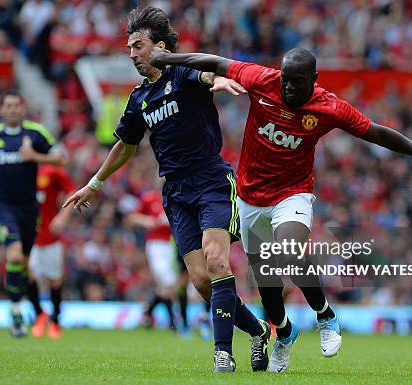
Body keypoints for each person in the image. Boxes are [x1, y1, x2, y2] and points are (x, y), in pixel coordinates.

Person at [149, 47, 412, 372]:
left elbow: (376, 132)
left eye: (297, 82)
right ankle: (284, 333)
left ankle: (325, 314)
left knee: (288, 253)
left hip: (292, 193)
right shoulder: (262, 79)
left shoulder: (327, 106)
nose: (288, 87)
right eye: (286, 80)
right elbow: (215, 62)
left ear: (313, 80)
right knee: (268, 282)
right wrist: (168, 60)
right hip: (249, 197)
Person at [63, 7, 270, 373]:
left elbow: (206, 72)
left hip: (211, 180)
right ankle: (257, 332)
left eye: (137, 46)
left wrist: (218, 80)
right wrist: (94, 184)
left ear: (159, 47)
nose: (131, 54)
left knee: (217, 260)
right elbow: (126, 145)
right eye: (129, 47)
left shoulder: (183, 73)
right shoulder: (138, 99)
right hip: (175, 192)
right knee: (203, 283)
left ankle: (223, 354)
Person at [0, 91, 65, 337]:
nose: (13, 109)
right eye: (8, 105)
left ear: (22, 109)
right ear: (1, 110)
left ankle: (27, 308)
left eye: (17, 105)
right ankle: (16, 314)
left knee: (24, 265)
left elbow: (62, 158)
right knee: (14, 255)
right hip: (3, 206)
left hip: (29, 208)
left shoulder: (36, 133)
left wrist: (35, 156)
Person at [29, 163, 75, 339]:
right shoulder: (19, 170)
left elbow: (71, 190)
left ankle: (55, 320)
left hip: (50, 236)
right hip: (28, 235)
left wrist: (62, 216)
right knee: (28, 274)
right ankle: (39, 315)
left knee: (54, 281)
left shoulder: (51, 171)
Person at [127, 184, 178, 332]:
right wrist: (149, 221)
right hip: (156, 245)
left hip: (173, 244)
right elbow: (132, 217)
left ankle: (148, 312)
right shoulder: (149, 198)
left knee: (166, 285)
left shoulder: (175, 198)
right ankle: (172, 323)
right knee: (167, 282)